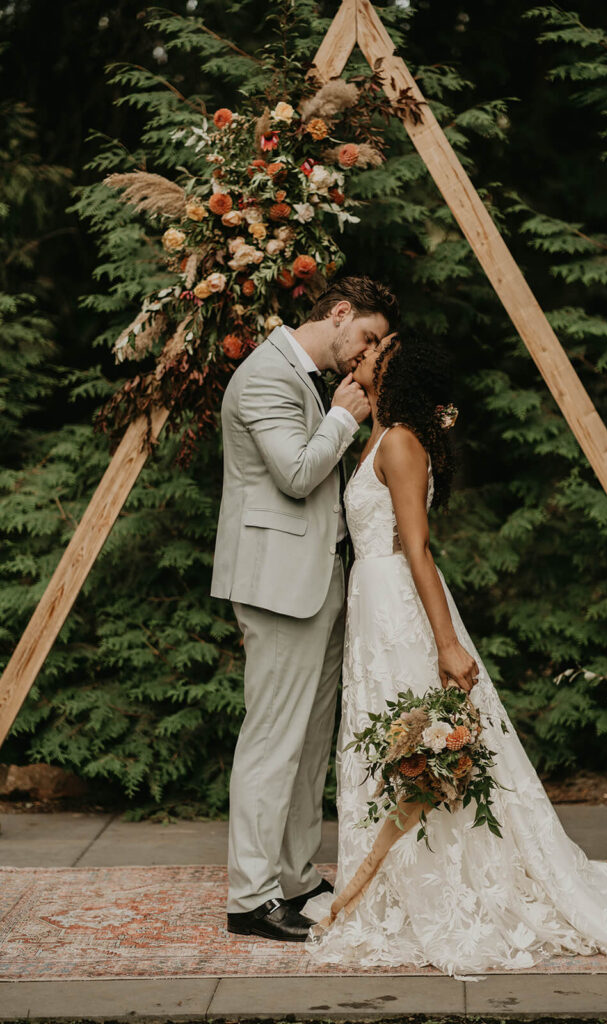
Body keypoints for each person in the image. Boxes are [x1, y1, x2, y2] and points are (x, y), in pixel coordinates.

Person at [304, 329, 607, 975]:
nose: (359, 354)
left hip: (397, 605)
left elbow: (415, 548)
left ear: (393, 374)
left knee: (413, 737)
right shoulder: (379, 434)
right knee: (379, 740)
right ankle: (383, 885)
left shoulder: (398, 443)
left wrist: (446, 644)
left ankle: (445, 889)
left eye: (373, 352)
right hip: (372, 606)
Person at [210, 275, 399, 942]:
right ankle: (249, 897)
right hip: (276, 584)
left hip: (315, 581)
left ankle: (292, 877)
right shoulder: (265, 375)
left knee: (308, 742)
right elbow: (294, 474)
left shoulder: (307, 379)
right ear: (339, 313)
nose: (366, 354)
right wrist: (344, 417)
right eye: (367, 337)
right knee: (271, 741)